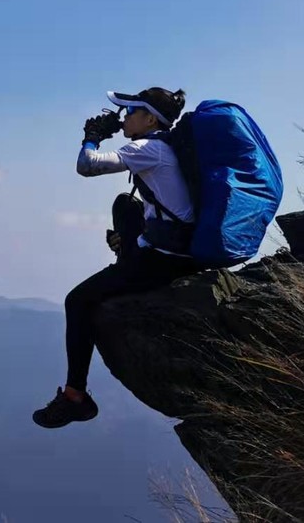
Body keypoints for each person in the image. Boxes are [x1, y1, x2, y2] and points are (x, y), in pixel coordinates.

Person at [32, 87, 203, 429]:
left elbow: (87, 165)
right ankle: (129, 250)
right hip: (180, 246)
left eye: (131, 111)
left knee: (77, 301)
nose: (124, 116)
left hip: (164, 259)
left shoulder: (149, 149)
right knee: (125, 204)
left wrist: (92, 138)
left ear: (150, 119)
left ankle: (75, 397)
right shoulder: (165, 147)